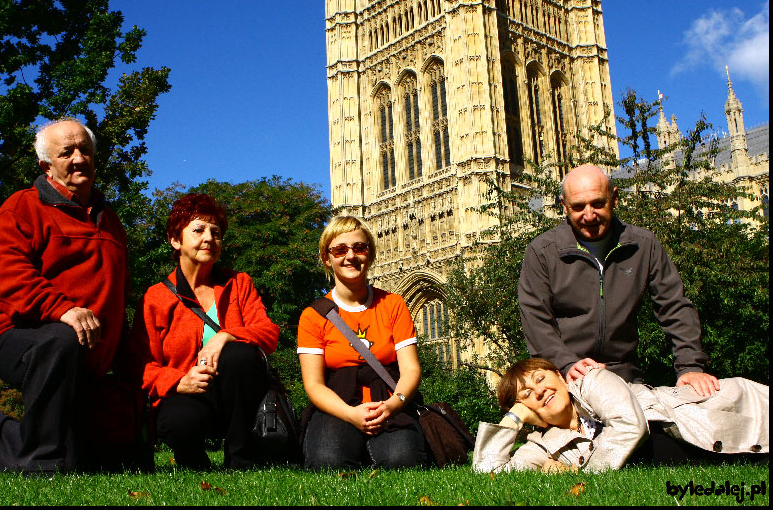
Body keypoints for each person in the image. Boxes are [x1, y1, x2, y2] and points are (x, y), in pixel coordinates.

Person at [0, 118, 132, 473]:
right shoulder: (22, 207)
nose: (79, 159)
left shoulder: (111, 222)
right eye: (67, 152)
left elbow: (118, 296)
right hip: (18, 336)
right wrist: (62, 309)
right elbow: (6, 275)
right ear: (46, 165)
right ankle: (42, 465)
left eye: (86, 151)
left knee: (91, 459)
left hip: (84, 356)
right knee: (61, 339)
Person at [518, 164, 719, 396]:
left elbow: (674, 306)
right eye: (578, 207)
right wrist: (565, 363)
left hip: (625, 376)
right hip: (566, 380)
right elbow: (535, 319)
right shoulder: (542, 251)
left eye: (597, 203)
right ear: (564, 206)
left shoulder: (642, 244)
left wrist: (690, 366)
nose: (589, 215)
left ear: (614, 199)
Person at [129, 193, 279, 470]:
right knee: (176, 420)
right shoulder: (156, 297)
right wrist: (178, 381)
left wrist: (224, 336)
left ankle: (240, 458)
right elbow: (139, 364)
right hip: (188, 397)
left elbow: (268, 332)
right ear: (175, 240)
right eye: (198, 230)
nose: (209, 237)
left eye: (216, 232)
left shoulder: (239, 283)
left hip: (236, 397)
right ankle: (193, 460)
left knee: (238, 354)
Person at [472, 358, 768, 473]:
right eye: (526, 396)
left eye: (541, 378)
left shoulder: (591, 381)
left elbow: (630, 426)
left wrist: (579, 473)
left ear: (562, 378)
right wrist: (514, 417)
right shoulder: (541, 445)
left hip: (730, 410)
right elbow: (488, 472)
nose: (538, 391)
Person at [297, 216, 428, 470]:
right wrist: (350, 414)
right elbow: (313, 384)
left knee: (404, 461)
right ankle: (356, 444)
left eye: (359, 247)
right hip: (338, 405)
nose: (350, 256)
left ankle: (373, 447)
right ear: (327, 258)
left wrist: (393, 404)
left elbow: (411, 368)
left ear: (370, 253)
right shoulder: (313, 315)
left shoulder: (393, 305)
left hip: (388, 400)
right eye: (340, 250)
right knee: (326, 462)